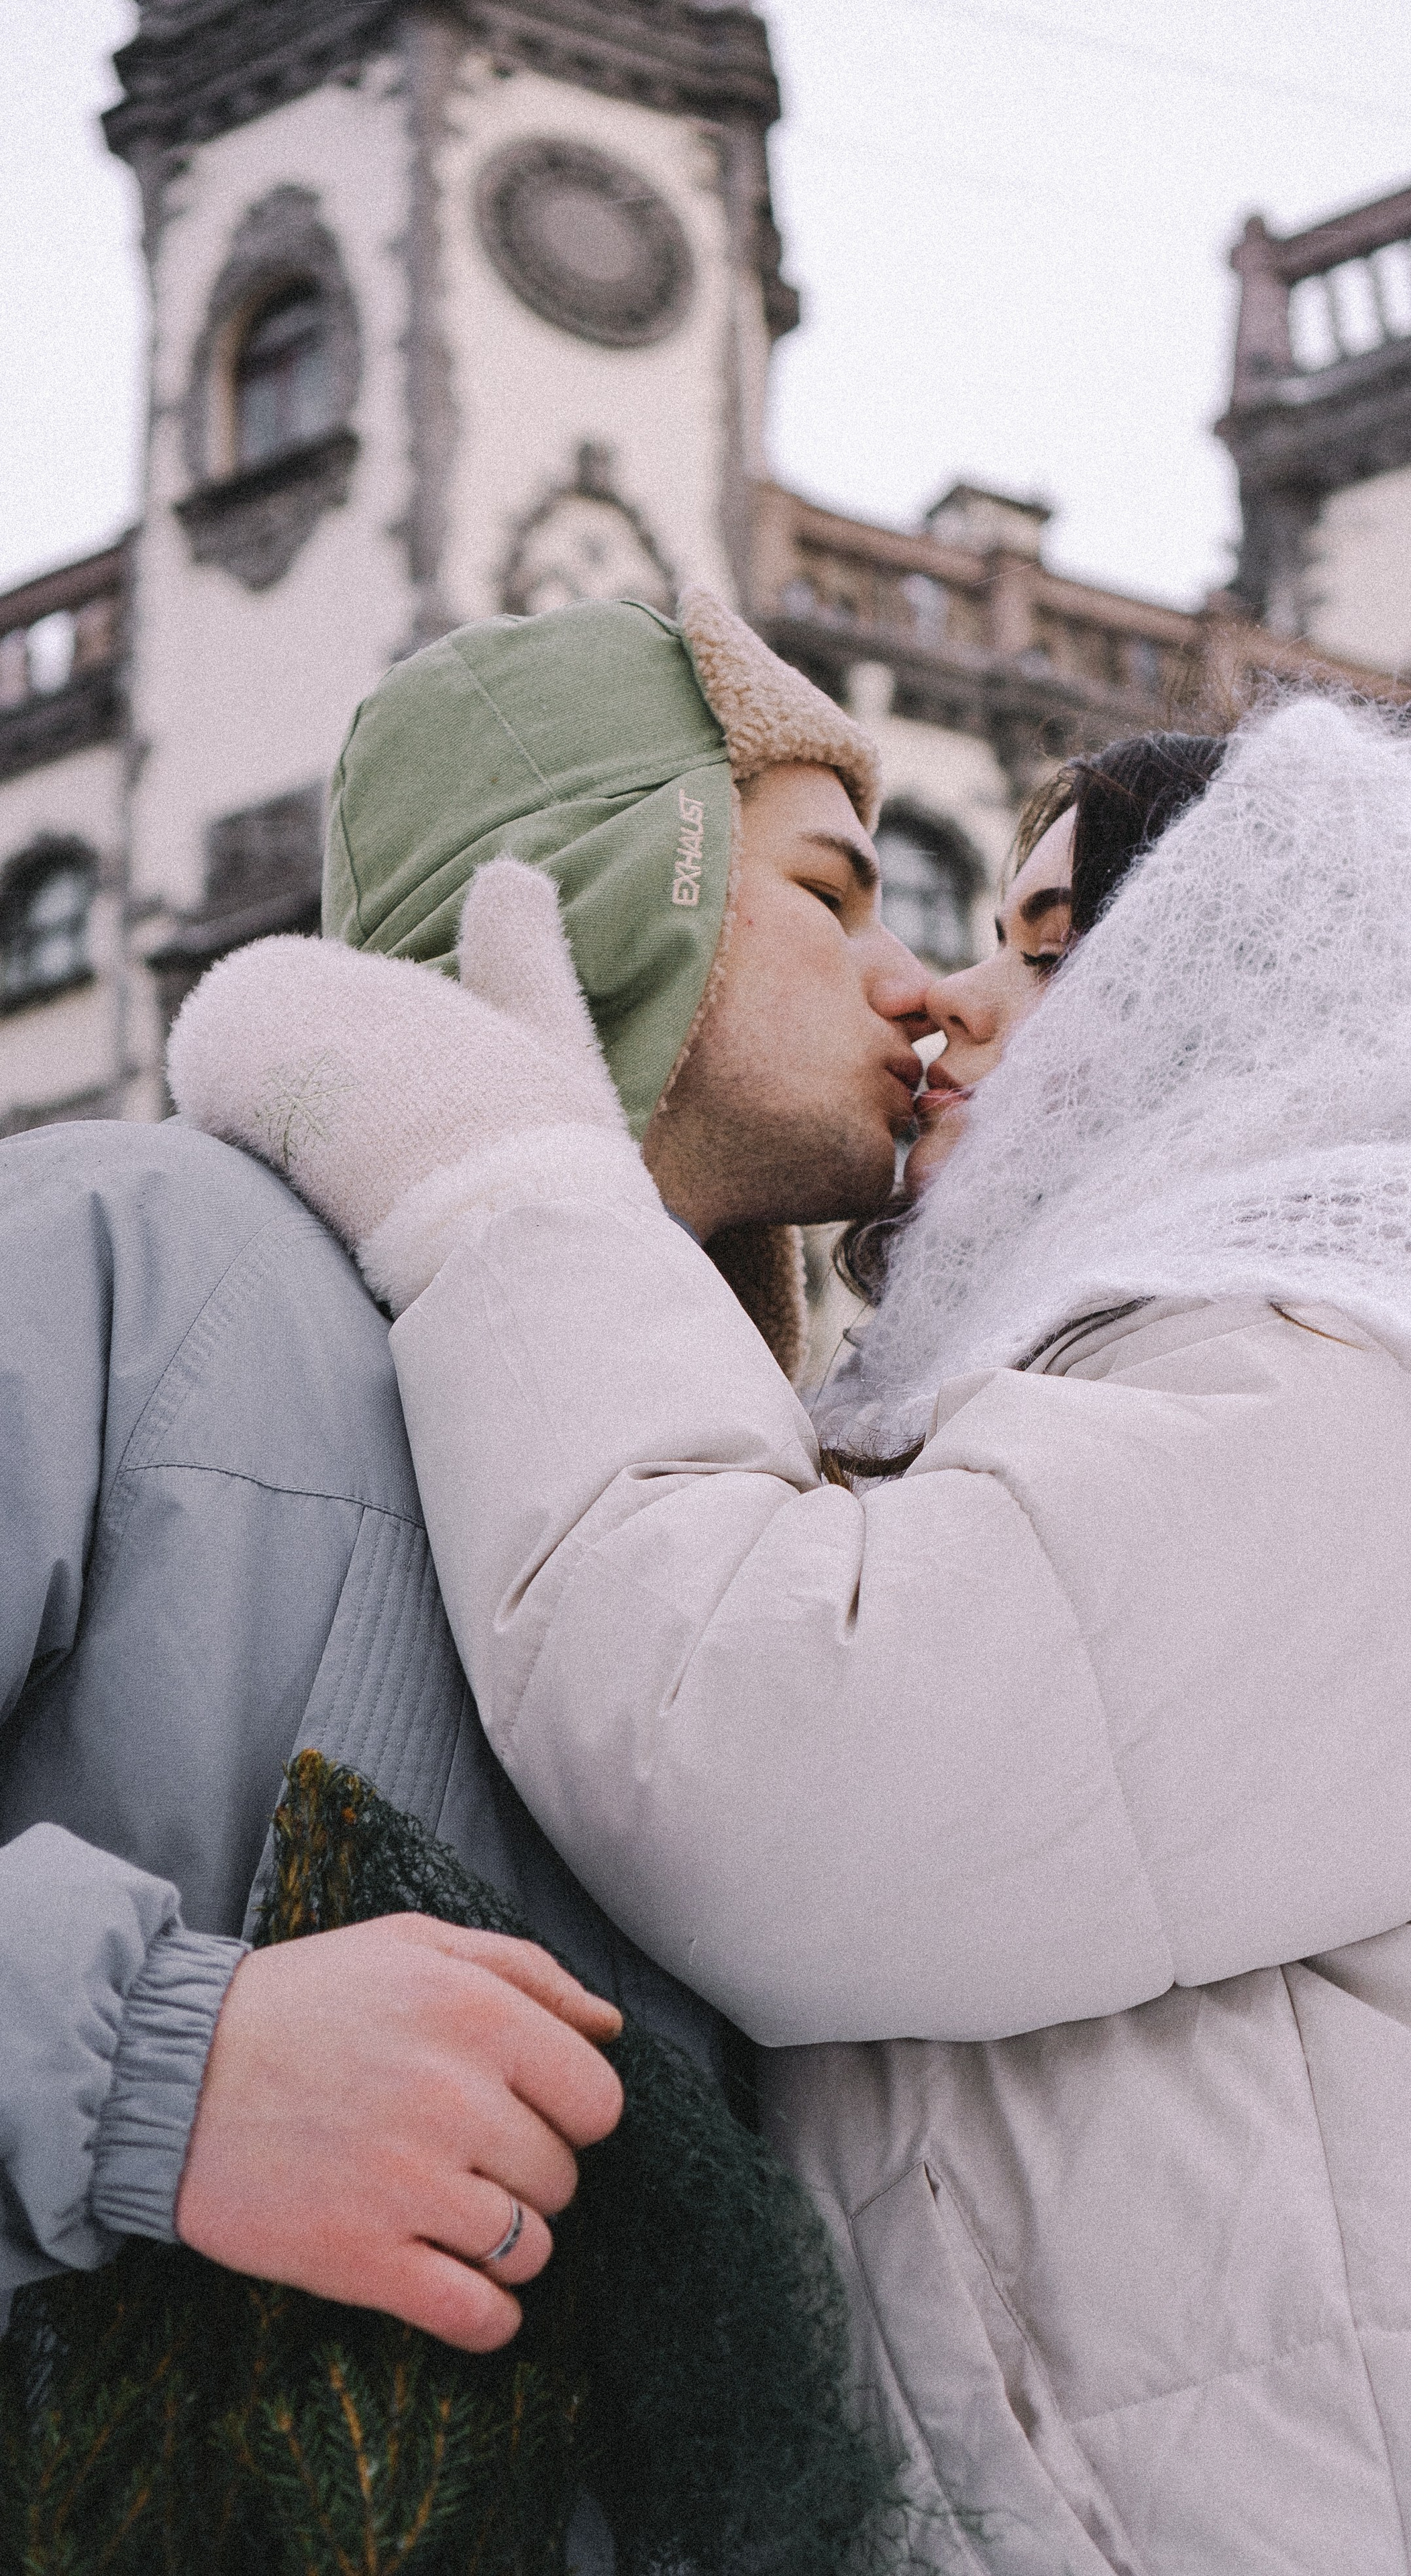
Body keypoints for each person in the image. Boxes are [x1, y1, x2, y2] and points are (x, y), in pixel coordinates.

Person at [175, 662, 1411, 2570]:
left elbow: (784, 1749)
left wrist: (508, 1185)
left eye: (1055, 952)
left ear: (1262, 992)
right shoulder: (1189, 1375)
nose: (945, 1001)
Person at [0, 586, 929, 2356]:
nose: (917, 986)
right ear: (612, 879)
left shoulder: (761, 1527)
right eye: (829, 891)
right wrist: (157, 2071)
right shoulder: (126, 1255)